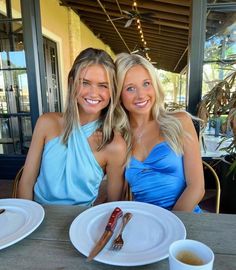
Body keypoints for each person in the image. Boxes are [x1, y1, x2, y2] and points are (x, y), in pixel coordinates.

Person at [17, 48, 127, 205]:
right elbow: (26, 182)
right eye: (85, 83)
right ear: (72, 83)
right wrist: (28, 220)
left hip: (80, 222)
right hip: (38, 215)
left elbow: (113, 203)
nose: (93, 93)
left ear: (112, 91)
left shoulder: (114, 144)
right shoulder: (47, 123)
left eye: (103, 85)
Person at [115, 53, 205, 212]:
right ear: (119, 95)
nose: (141, 95)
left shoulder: (180, 122)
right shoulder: (119, 136)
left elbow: (197, 187)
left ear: (155, 85)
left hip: (185, 219)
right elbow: (118, 193)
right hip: (145, 222)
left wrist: (170, 226)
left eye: (146, 83)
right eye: (130, 88)